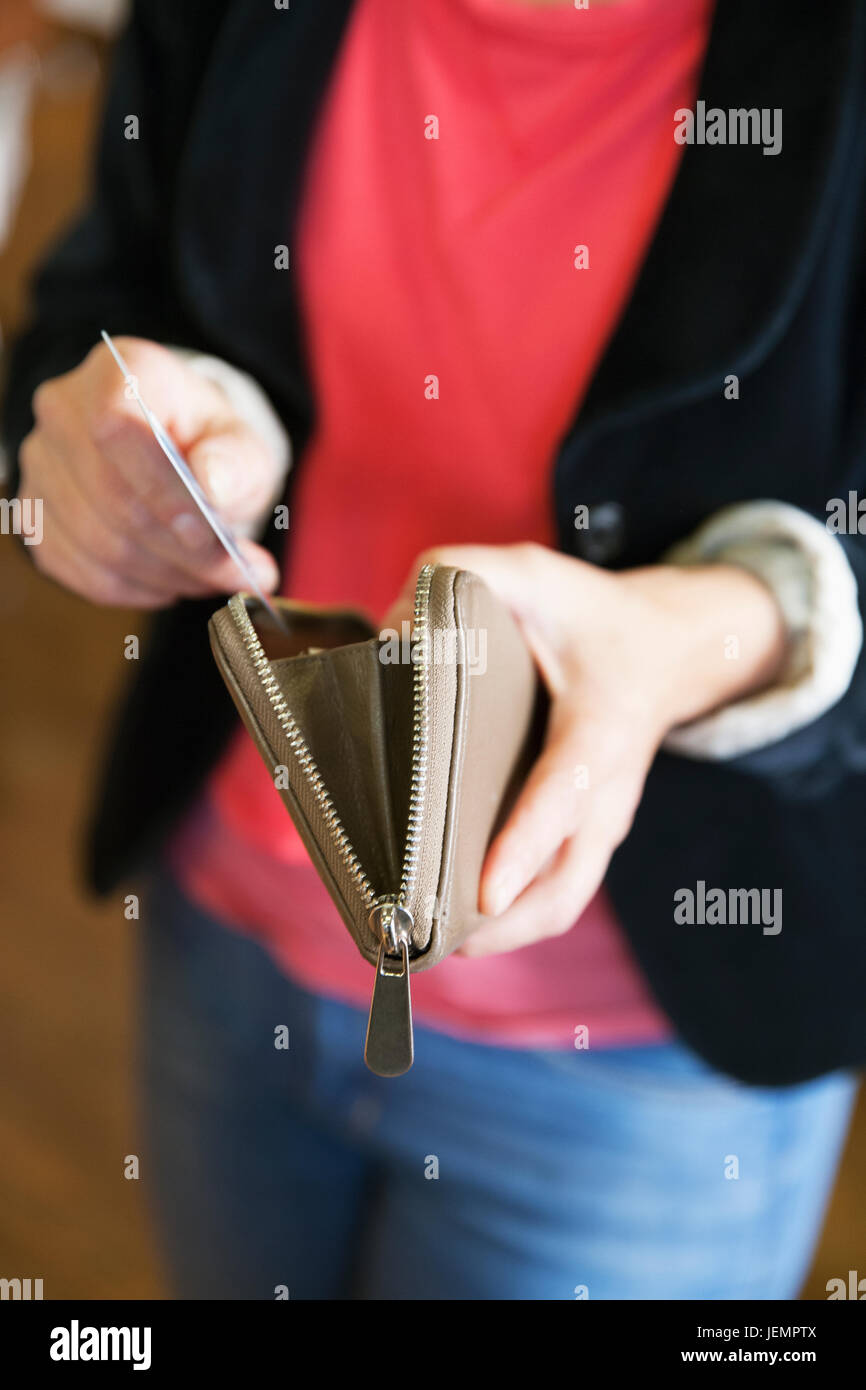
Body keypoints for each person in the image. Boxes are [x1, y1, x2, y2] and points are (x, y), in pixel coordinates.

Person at [4, 0, 866, 1300]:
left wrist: (717, 628)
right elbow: (96, 313)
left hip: (640, 1063)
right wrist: (133, 442)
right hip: (228, 916)